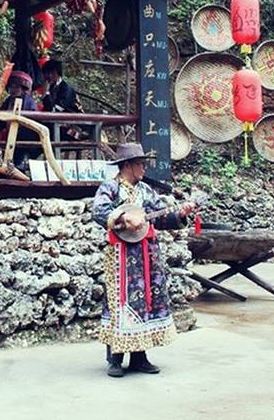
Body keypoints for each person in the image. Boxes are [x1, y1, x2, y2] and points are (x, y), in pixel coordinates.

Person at [91, 142, 195, 378]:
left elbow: (160, 218)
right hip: (121, 256)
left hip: (146, 254)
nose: (144, 168)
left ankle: (140, 357)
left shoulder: (146, 191)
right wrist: (123, 218)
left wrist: (180, 214)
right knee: (120, 303)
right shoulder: (110, 187)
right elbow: (99, 211)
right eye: (140, 164)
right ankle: (115, 358)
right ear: (127, 165)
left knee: (144, 301)